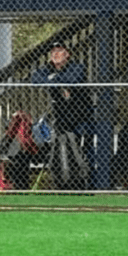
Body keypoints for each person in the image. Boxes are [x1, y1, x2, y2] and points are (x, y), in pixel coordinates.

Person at [30, 41, 95, 186]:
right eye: (53, 51)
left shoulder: (77, 67)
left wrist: (53, 79)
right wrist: (55, 80)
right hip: (61, 117)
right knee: (61, 147)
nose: (55, 54)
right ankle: (64, 181)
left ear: (67, 54)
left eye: (59, 51)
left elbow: (73, 79)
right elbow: (35, 79)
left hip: (81, 116)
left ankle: (87, 183)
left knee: (83, 150)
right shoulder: (47, 68)